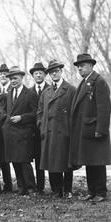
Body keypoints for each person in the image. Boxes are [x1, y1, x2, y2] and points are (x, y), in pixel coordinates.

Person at [69, 53, 111, 202]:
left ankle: (100, 192)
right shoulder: (84, 82)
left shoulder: (98, 81)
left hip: (95, 130)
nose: (80, 69)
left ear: (91, 66)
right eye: (78, 67)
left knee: (98, 163)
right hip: (86, 130)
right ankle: (92, 191)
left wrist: (100, 130)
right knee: (89, 162)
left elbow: (104, 108)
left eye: (82, 66)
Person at [36, 60, 76, 198]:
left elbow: (75, 112)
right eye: (51, 72)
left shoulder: (70, 89)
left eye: (56, 71)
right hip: (48, 132)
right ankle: (56, 189)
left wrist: (69, 130)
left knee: (66, 162)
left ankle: (68, 189)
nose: (54, 74)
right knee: (52, 162)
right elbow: (39, 112)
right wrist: (41, 125)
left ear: (61, 71)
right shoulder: (46, 92)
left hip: (64, 132)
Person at [2, 66, 38, 196]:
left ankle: (31, 188)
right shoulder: (10, 94)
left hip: (23, 134)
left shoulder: (30, 94)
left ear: (22, 78)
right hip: (11, 134)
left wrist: (22, 118)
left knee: (24, 162)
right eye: (11, 79)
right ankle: (21, 188)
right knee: (15, 162)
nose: (13, 81)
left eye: (15, 78)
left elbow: (35, 113)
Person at [29, 62, 50, 194]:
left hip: (47, 129)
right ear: (32, 76)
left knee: (51, 156)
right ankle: (40, 186)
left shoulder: (50, 88)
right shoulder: (29, 91)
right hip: (34, 132)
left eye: (40, 73)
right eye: (35, 73)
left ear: (45, 74)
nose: (38, 75)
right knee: (38, 159)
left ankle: (56, 186)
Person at [0, 64, 13, 192]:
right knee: (3, 157)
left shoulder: (13, 89)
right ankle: (8, 184)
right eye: (0, 74)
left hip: (11, 128)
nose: (2, 76)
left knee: (15, 158)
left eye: (5, 73)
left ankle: (24, 184)